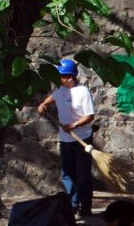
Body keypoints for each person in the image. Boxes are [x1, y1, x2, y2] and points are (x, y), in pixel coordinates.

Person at [37, 58, 96, 216]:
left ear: (70, 77)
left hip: (82, 139)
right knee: (67, 173)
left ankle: (86, 206)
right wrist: (44, 104)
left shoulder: (82, 92)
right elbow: (53, 98)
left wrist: (74, 125)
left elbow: (90, 116)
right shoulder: (61, 90)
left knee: (83, 174)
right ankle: (72, 204)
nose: (58, 79)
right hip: (65, 139)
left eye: (60, 76)